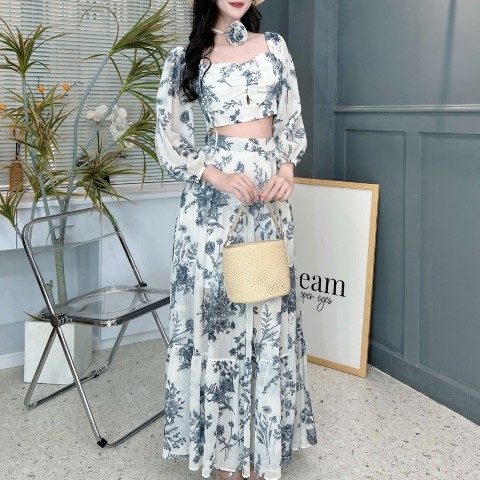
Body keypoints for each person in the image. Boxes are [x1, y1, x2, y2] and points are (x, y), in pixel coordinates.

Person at [155, 1, 317, 478]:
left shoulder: (275, 48)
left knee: (268, 308)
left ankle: (260, 447)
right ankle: (225, 454)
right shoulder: (185, 56)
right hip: (214, 201)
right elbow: (168, 134)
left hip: (269, 198)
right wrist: (216, 175)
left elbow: (290, 120)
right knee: (218, 317)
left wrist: (286, 170)